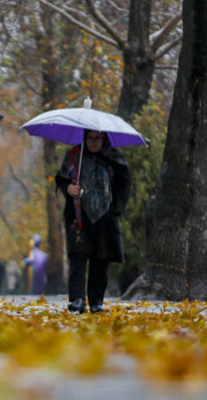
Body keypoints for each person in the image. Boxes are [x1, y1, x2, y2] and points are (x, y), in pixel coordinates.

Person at [55, 129, 131, 313]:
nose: (94, 142)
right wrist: (68, 189)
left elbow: (125, 184)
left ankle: (96, 301)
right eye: (90, 138)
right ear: (85, 138)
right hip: (78, 216)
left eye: (98, 138)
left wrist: (117, 209)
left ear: (104, 139)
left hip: (105, 217)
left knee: (100, 260)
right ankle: (77, 299)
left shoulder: (115, 159)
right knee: (78, 258)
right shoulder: (74, 156)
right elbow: (61, 179)